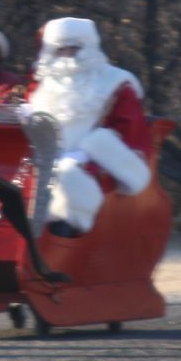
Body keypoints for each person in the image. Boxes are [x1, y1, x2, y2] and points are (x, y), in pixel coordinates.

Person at [26, 16, 152, 235]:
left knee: (66, 177)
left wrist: (86, 157)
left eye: (74, 48)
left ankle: (69, 228)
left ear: (89, 48)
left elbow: (129, 138)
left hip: (94, 167)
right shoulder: (39, 87)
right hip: (40, 163)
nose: (67, 55)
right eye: (60, 49)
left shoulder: (116, 84)